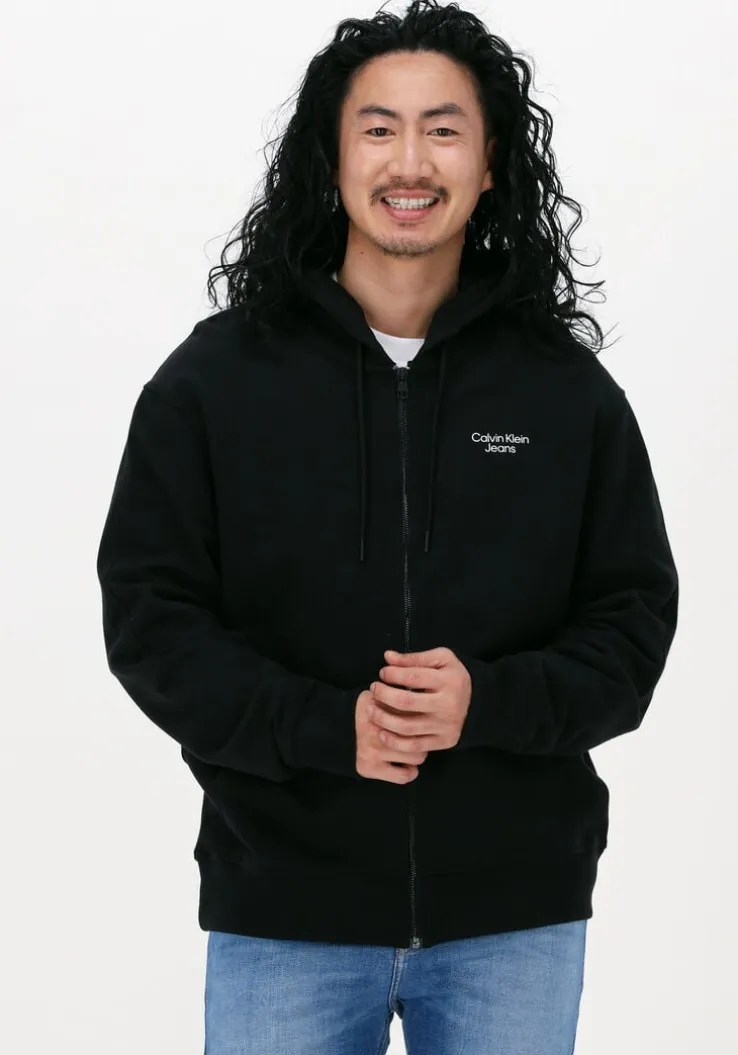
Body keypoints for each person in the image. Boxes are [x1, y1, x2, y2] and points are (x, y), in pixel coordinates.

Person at [95, 1, 679, 1051]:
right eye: (379, 128)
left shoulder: (563, 393)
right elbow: (151, 620)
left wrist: (485, 702)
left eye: (444, 129)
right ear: (332, 158)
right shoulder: (216, 383)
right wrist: (330, 728)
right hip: (284, 911)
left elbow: (631, 627)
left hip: (515, 915)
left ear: (491, 164)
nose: (411, 161)